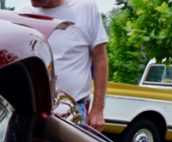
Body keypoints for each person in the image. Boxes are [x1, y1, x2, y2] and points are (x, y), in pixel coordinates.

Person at [17, 0, 108, 131]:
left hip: (71, 114)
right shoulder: (21, 14)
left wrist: (98, 109)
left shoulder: (85, 8)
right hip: (28, 112)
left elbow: (100, 60)